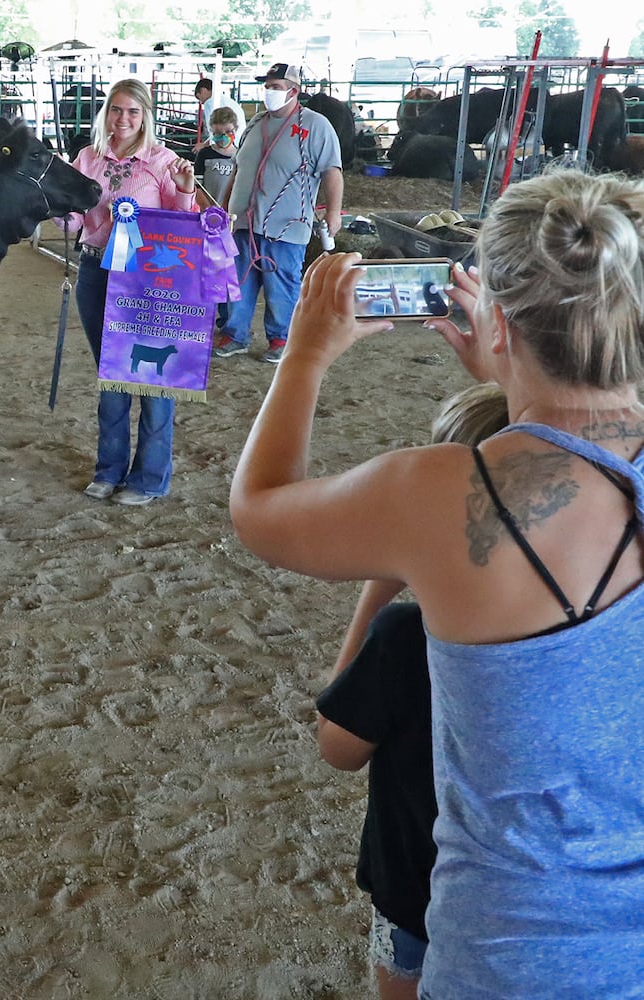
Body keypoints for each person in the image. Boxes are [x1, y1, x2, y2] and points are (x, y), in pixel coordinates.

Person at [230, 168, 644, 996]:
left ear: (496, 316)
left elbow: (258, 507)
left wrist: (307, 351)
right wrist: (511, 374)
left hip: (511, 955)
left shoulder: (442, 493)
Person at [316, 382, 509, 1000]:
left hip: (416, 888)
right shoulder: (590, 621)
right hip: (524, 897)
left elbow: (338, 749)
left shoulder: (404, 636)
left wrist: (377, 591)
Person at [54, 78, 197, 507]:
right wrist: (56, 205)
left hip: (149, 279)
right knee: (112, 374)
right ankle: (109, 470)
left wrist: (187, 189)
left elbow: (181, 221)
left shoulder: (164, 160)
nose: (123, 119)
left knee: (154, 378)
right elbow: (76, 221)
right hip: (97, 270)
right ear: (106, 113)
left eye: (133, 111)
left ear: (145, 116)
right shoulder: (87, 158)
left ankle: (149, 477)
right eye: (117, 110)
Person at [214, 62, 343, 364]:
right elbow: (239, 168)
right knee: (239, 280)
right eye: (267, 86)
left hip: (286, 224)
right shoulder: (256, 123)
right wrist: (224, 208)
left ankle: (281, 337)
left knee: (282, 283)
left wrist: (333, 213)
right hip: (243, 221)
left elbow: (332, 171)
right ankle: (235, 334)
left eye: (276, 87)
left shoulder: (315, 125)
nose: (269, 92)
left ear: (294, 91)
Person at [195, 106, 241, 334]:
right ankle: (202, 317)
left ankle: (226, 320)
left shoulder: (241, 156)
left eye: (227, 132)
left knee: (227, 274)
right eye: (217, 133)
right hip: (208, 221)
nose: (222, 138)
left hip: (231, 223)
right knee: (204, 270)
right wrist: (211, 213)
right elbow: (198, 187)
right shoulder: (205, 155)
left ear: (236, 130)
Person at [193, 76, 246, 150]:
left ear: (203, 90)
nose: (201, 102)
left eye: (199, 97)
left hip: (225, 146)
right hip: (239, 144)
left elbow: (214, 132)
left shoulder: (210, 103)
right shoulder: (229, 101)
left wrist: (204, 146)